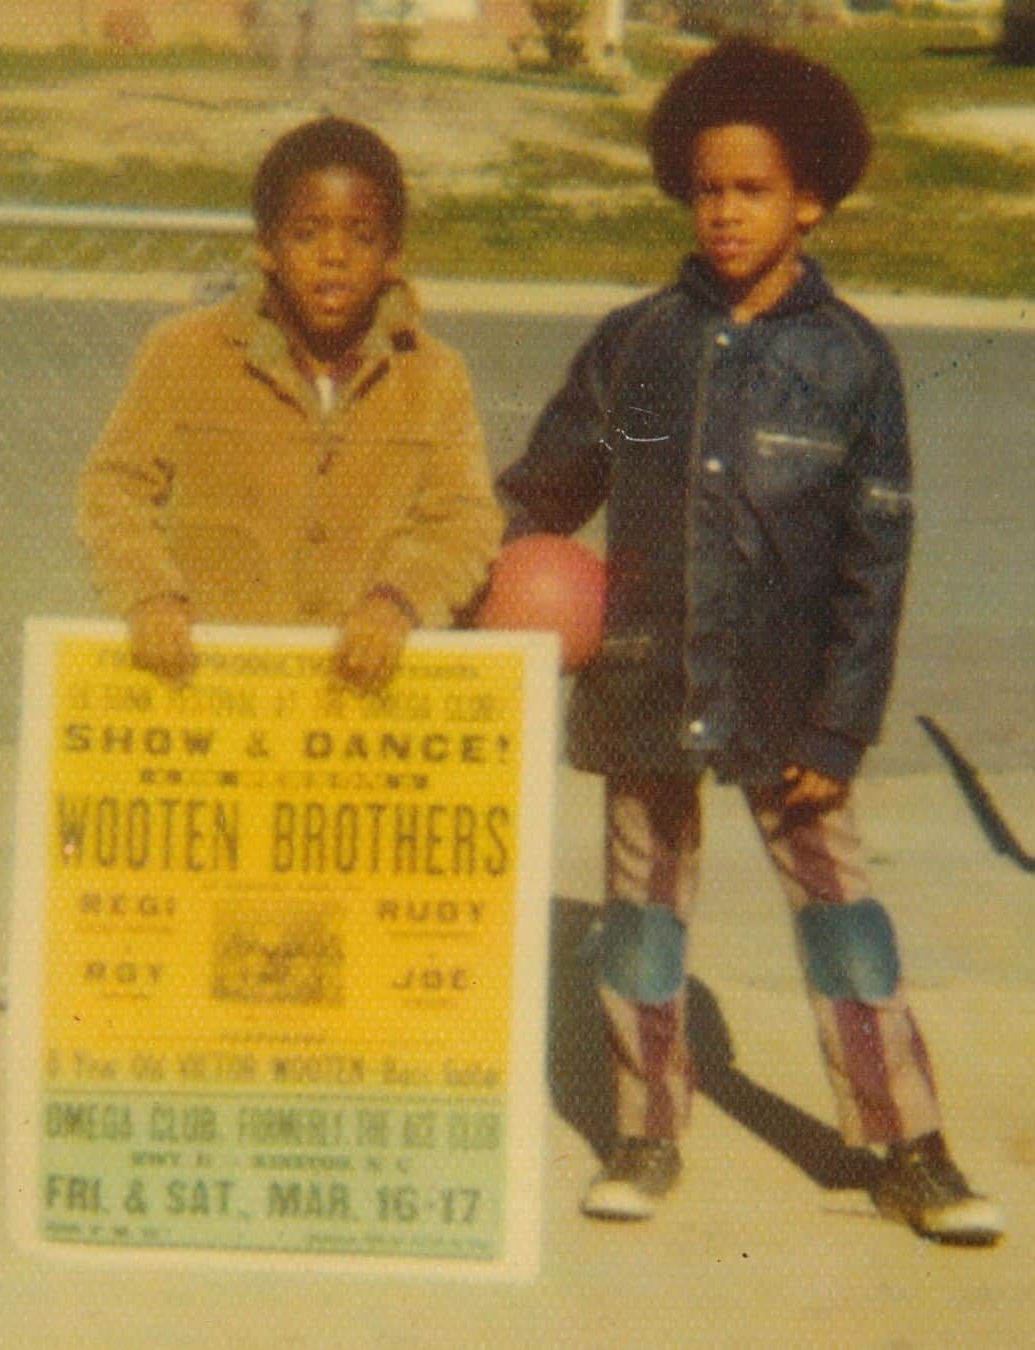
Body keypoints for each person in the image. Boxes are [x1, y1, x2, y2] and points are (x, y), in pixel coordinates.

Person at [496, 39, 1004, 1244]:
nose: (724, 214)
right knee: (643, 915)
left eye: (754, 191)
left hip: (793, 701)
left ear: (811, 198)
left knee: (843, 920)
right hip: (649, 679)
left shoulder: (854, 366)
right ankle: (644, 1129)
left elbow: (875, 568)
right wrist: (498, 580)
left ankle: (905, 1145)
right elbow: (542, 495)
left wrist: (841, 720)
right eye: (707, 189)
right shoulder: (637, 346)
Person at [79, 117, 502, 692]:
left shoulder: (434, 376)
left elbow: (464, 520)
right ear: (266, 247)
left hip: (363, 699)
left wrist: (398, 602)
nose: (335, 255)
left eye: (361, 235)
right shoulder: (182, 353)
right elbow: (113, 489)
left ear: (393, 254)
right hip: (215, 687)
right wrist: (149, 593)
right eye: (307, 233)